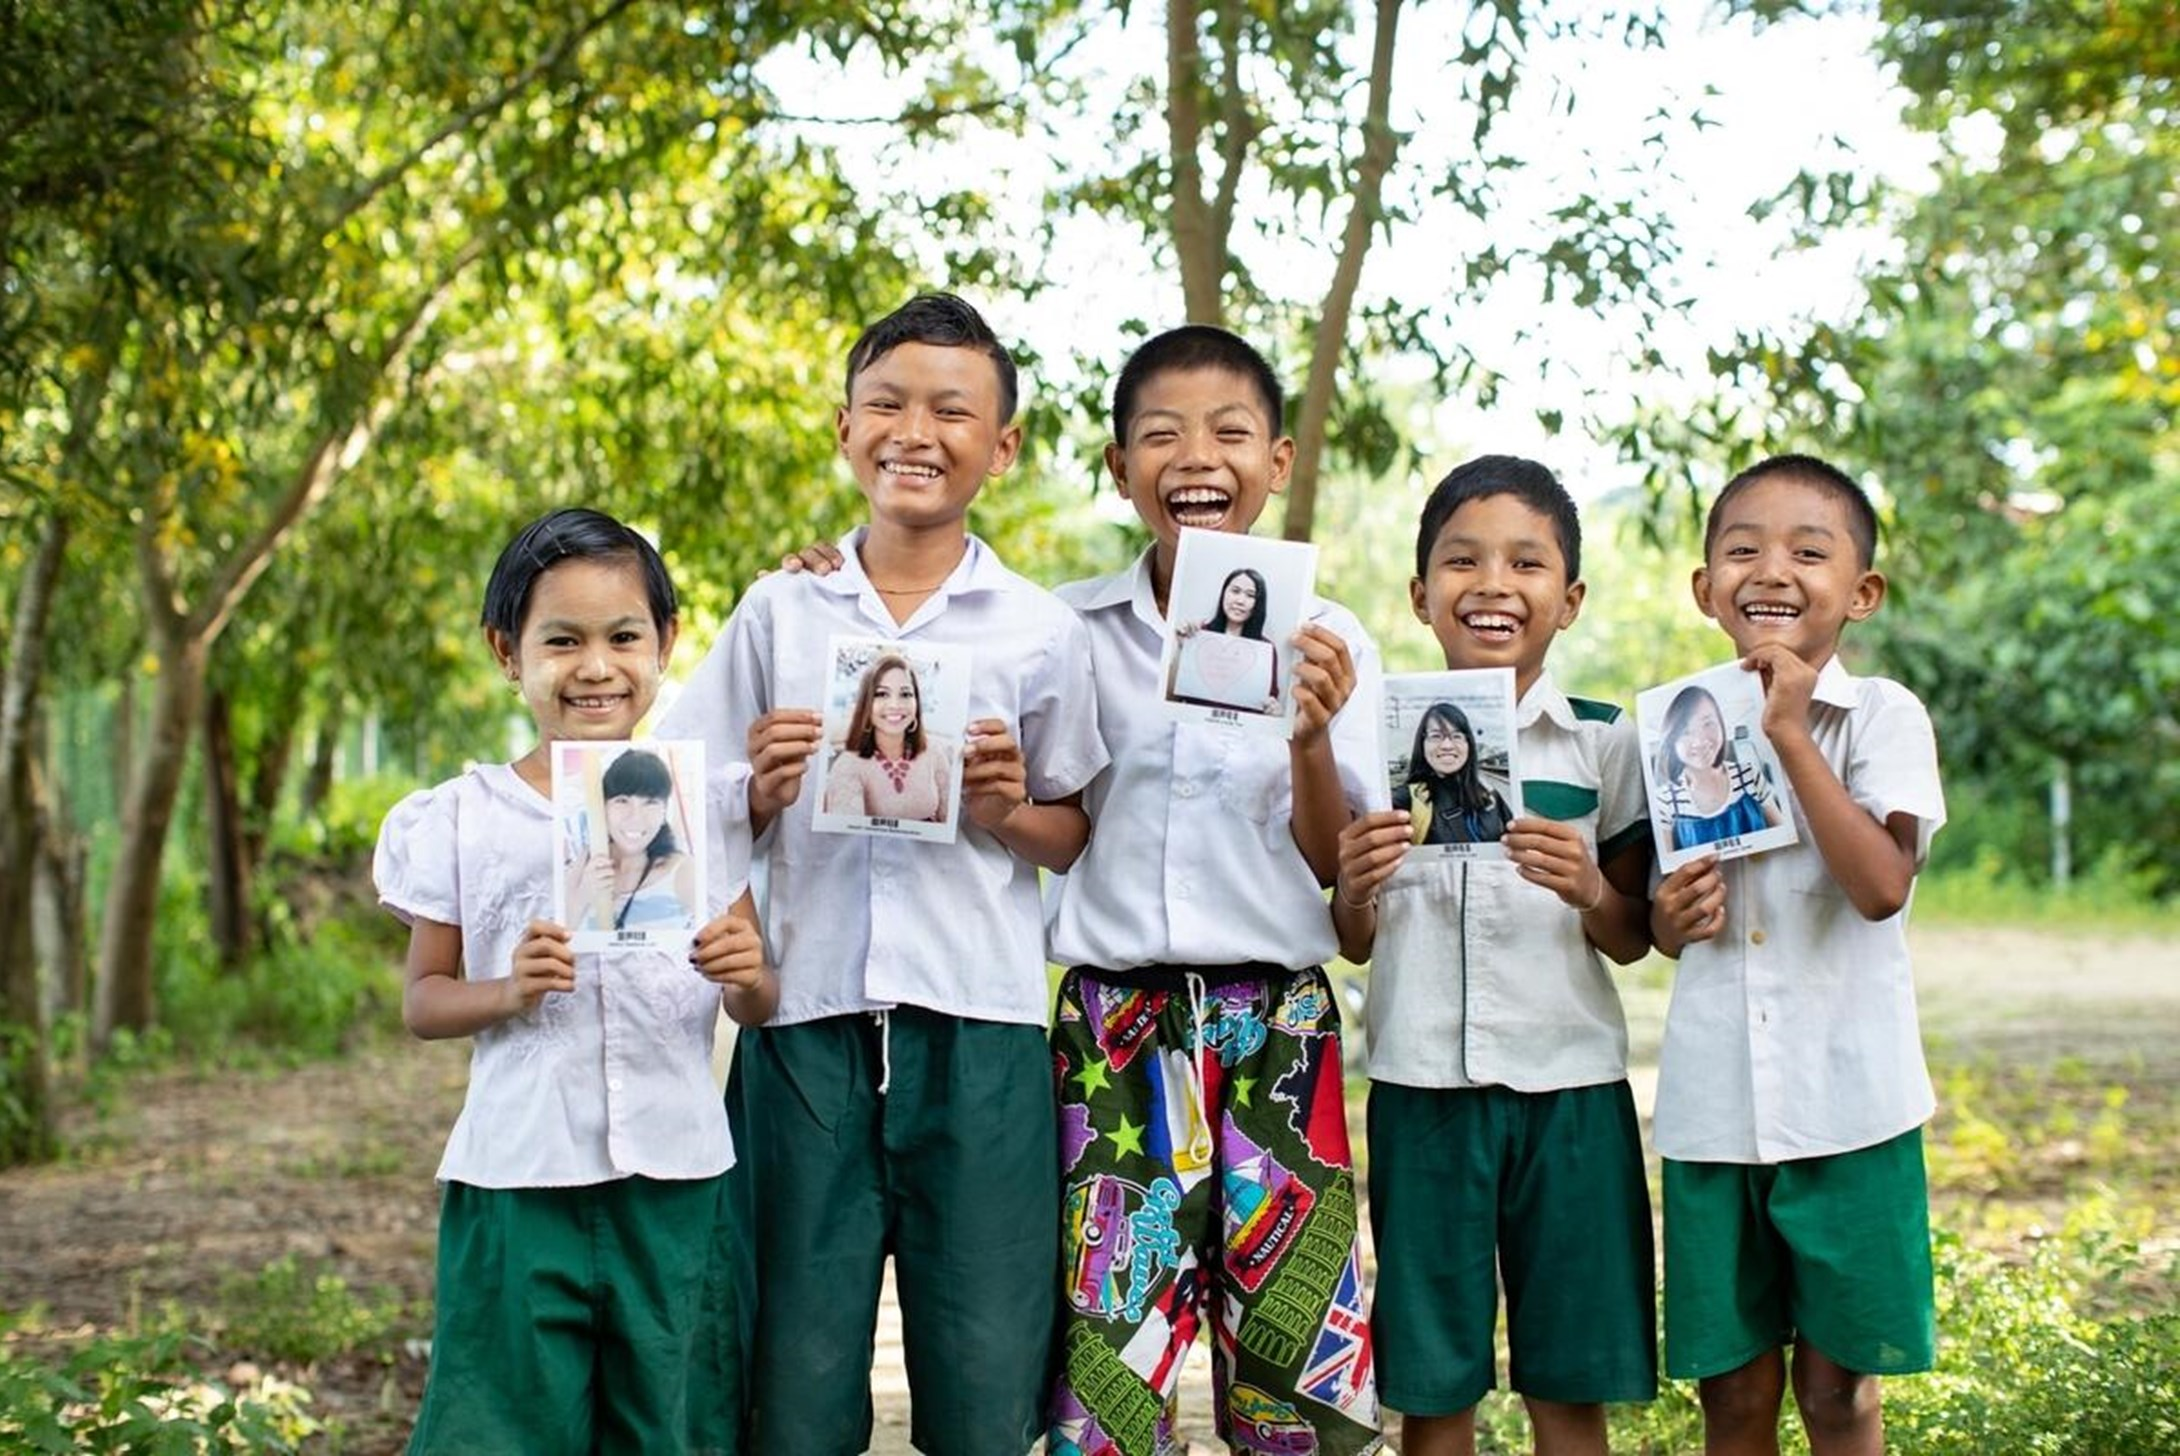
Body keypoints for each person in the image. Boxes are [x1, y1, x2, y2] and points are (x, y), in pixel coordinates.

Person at [658, 293, 1108, 1456]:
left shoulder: (1035, 629)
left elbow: (1070, 832)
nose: (916, 430)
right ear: (845, 427)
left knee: (984, 1375)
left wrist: (1007, 807)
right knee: (792, 1381)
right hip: (803, 1027)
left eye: (952, 411)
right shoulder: (779, 611)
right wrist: (756, 787)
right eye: (888, 403)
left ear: (999, 448)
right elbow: (691, 809)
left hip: (981, 1031)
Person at [1041, 324, 1384, 1456]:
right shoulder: (1066, 634)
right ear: (1117, 465)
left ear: (1276, 461)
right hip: (1115, 1029)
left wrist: (1311, 739)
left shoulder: (1333, 642)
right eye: (1161, 434)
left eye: (1230, 432)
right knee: (1111, 1377)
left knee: (1292, 1384)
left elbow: (1340, 871)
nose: (1198, 455)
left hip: (1276, 1026)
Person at [373, 507, 778, 1455]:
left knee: (671, 1426)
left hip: (677, 1181)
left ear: (665, 644)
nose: (596, 667)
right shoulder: (465, 817)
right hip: (519, 1181)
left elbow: (756, 998)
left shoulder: (705, 809)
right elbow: (424, 1000)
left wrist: (746, 973)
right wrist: (507, 989)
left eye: (623, 636)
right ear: (506, 652)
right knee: (503, 1427)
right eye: (562, 640)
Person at [1333, 456, 1658, 1456]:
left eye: (1526, 562)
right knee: (1432, 1386)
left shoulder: (1604, 743)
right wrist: (1352, 881)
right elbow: (1351, 937)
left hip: (1570, 1091)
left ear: (1568, 599)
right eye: (1461, 560)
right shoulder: (1371, 751)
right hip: (1420, 1087)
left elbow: (1632, 933)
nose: (1492, 583)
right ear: (1419, 591)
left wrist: (1590, 888)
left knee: (1571, 1380)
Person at [1650, 453, 1946, 1456]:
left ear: (1859, 592)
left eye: (1806, 553)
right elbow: (1655, 919)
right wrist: (1667, 913)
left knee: (1835, 1391)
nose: (1769, 570)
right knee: (1730, 1395)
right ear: (1703, 588)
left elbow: (1878, 886)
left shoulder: (1882, 715)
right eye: (1741, 550)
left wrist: (1789, 735)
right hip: (1713, 1111)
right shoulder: (1672, 725)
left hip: (1848, 1105)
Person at [568, 747, 699, 931]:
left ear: (664, 812)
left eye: (650, 802)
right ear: (603, 807)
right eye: (622, 800)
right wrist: (582, 896)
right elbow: (559, 939)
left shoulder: (683, 871)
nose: (635, 817)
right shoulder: (583, 865)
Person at [822, 651, 954, 821]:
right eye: (882, 694)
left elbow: (949, 822)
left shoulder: (934, 752)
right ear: (866, 704)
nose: (894, 705)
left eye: (905, 694)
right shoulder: (848, 764)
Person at [1653, 683, 1783, 850]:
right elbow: (1670, 868)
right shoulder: (1664, 800)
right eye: (1686, 732)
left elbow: (1782, 833)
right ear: (1672, 741)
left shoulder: (1749, 775)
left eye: (1708, 724)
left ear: (1721, 725)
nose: (1699, 742)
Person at [1393, 700, 1514, 846]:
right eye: (1436, 736)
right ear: (1422, 744)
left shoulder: (1489, 794)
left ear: (1468, 745)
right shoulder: (1409, 799)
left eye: (1457, 736)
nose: (1446, 746)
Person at [1166, 565, 1280, 713]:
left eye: (1250, 595)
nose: (1240, 600)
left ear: (1258, 603)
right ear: (1223, 594)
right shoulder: (1198, 635)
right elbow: (1170, 698)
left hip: (1240, 734)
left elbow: (1268, 705)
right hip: (1193, 732)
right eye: (1235, 591)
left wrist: (1273, 711)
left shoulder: (1265, 650)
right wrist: (1182, 648)